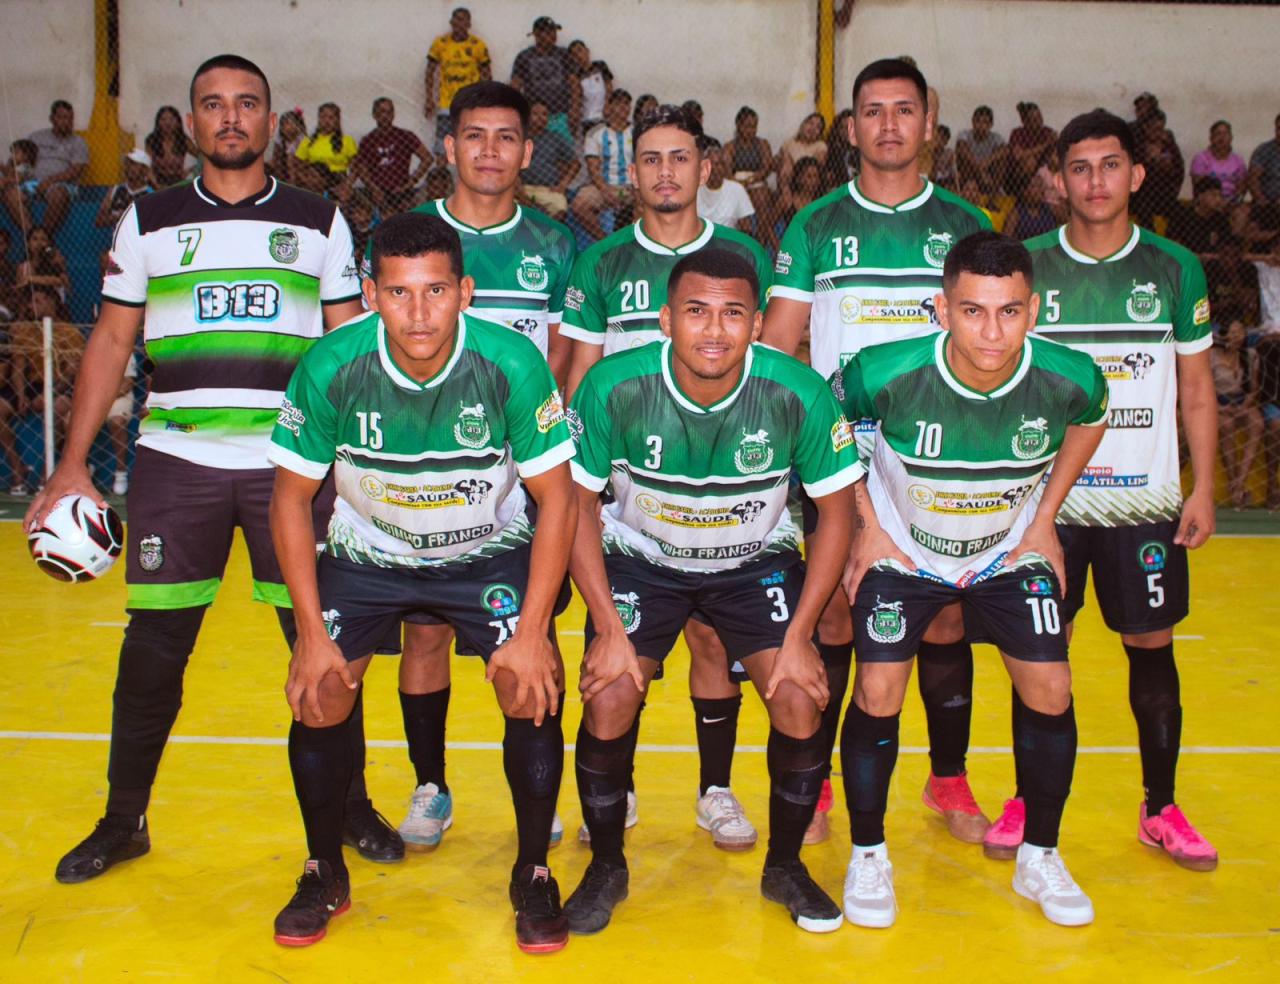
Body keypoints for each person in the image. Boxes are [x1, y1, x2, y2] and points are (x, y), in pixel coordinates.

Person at [23, 53, 400, 888]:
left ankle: (351, 804)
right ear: (188, 125)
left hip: (292, 468)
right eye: (212, 106)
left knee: (324, 645)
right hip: (177, 460)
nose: (230, 118)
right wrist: (69, 466)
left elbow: (347, 348)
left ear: (273, 121)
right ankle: (125, 821)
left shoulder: (320, 220)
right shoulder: (145, 219)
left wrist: (362, 469)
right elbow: (114, 342)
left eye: (247, 105)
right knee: (154, 649)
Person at [268, 210, 576, 951]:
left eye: (435, 291)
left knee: (531, 685)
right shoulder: (331, 365)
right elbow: (288, 498)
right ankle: (321, 868)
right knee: (320, 690)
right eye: (400, 293)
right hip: (370, 555)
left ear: (466, 291)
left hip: (485, 554)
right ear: (370, 293)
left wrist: (533, 634)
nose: (418, 313)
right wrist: (310, 635)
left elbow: (558, 498)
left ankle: (532, 871)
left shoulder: (510, 363)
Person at [563, 247, 860, 935]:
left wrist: (798, 637)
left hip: (754, 562)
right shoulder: (614, 385)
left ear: (758, 323)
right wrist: (607, 627)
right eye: (696, 312)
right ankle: (607, 864)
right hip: (644, 560)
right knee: (608, 695)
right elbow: (574, 507)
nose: (714, 330)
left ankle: (784, 865)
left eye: (732, 314)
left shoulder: (797, 392)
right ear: (666, 319)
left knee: (796, 698)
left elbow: (837, 511)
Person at [835, 230, 1109, 929]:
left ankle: (1039, 855)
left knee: (1051, 688)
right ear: (941, 308)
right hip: (908, 552)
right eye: (973, 311)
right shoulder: (882, 371)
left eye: (1010, 311)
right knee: (877, 688)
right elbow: (825, 430)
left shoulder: (1072, 376)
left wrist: (1046, 517)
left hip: (1003, 552)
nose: (992, 330)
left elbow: (1090, 421)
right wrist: (867, 526)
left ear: (1035, 309)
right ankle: (868, 855)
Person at [763, 58, 993, 847]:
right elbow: (781, 345)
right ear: (851, 128)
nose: (889, 125)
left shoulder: (966, 223)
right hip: (837, 460)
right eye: (872, 111)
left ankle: (948, 778)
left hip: (936, 461)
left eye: (904, 110)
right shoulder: (817, 223)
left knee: (942, 617)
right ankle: (819, 784)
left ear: (930, 124)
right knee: (829, 610)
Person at [990, 109, 1220, 872]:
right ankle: (1028, 800)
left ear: (1137, 175)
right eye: (1079, 167)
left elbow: (1195, 389)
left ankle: (1162, 807)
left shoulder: (1175, 267)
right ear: (1056, 178)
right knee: (1037, 657)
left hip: (1142, 505)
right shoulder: (1023, 267)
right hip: (1042, 511)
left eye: (1109, 165)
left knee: (1151, 651)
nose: (1095, 181)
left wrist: (1205, 487)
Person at [561, 103, 774, 850]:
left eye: (679, 158)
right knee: (619, 653)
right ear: (632, 172)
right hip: (628, 505)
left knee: (716, 644)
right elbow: (580, 374)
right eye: (649, 159)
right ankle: (614, 793)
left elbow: (775, 367)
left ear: (705, 167)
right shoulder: (601, 261)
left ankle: (715, 791)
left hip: (726, 494)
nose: (665, 172)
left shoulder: (745, 256)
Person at [373, 82, 577, 853]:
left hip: (516, 478)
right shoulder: (407, 235)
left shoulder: (556, 246)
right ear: (449, 146)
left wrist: (538, 452)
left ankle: (538, 792)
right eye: (474, 136)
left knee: (531, 637)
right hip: (423, 474)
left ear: (528, 152)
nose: (489, 151)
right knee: (424, 636)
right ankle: (431, 784)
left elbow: (558, 360)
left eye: (506, 138)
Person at [5, 100, 88, 234]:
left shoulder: (78, 142)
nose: (67, 122)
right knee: (9, 193)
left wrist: (49, 181)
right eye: (62, 117)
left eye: (70, 118)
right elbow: (19, 158)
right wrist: (13, 168)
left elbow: (76, 171)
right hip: (31, 182)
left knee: (59, 194)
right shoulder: (36, 137)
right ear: (52, 119)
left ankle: (44, 237)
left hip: (59, 184)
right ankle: (32, 235)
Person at [425, 6, 492, 156]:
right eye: (456, 19)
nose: (459, 24)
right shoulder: (440, 44)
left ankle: (470, 180)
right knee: (442, 149)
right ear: (451, 22)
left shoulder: (478, 45)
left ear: (469, 24)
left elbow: (487, 74)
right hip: (446, 104)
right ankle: (441, 179)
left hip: (471, 106)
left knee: (471, 148)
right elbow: (429, 71)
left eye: (463, 20)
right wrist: (429, 99)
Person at [573, 89, 635, 241]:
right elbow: (593, 169)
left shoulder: (638, 132)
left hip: (632, 187)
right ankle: (605, 242)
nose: (623, 107)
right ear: (609, 106)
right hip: (604, 186)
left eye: (626, 104)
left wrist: (636, 188)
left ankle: (634, 245)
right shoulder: (595, 133)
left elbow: (644, 164)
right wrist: (606, 190)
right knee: (579, 205)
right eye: (618, 103)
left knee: (651, 203)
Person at [1212, 320, 1261, 508]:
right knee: (1226, 426)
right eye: (1232, 332)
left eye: (1240, 332)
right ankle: (1235, 486)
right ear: (1223, 335)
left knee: (1257, 423)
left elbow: (1254, 389)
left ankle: (1239, 482)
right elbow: (1206, 387)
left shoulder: (1249, 355)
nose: (1236, 336)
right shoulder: (1212, 356)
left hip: (1242, 401)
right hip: (1219, 401)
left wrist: (1243, 406)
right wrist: (1220, 407)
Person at [353, 98, 432, 215]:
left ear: (394, 114)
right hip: (377, 193)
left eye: (389, 112)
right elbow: (361, 168)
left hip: (402, 192)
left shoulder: (405, 136)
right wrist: (373, 188)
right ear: (374, 115)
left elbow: (427, 158)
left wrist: (411, 182)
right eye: (381, 112)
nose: (385, 116)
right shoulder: (367, 140)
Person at [510, 16, 580, 143]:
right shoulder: (524, 57)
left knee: (564, 153)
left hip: (560, 115)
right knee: (535, 154)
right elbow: (515, 86)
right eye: (547, 32)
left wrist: (574, 110)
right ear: (536, 34)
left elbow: (574, 84)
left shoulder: (564, 55)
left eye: (553, 31)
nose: (553, 35)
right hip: (534, 116)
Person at [520, 99, 580, 221]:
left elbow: (575, 163)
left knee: (560, 207)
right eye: (536, 114)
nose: (540, 118)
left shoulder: (556, 138)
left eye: (544, 114)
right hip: (522, 188)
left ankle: (549, 239)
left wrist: (563, 184)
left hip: (548, 189)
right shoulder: (518, 139)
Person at [722, 106, 775, 245]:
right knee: (736, 196)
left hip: (756, 181)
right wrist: (739, 183)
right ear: (738, 125)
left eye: (754, 126)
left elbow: (766, 168)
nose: (751, 130)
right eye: (747, 126)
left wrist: (751, 179)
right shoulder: (730, 147)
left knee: (761, 198)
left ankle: (761, 242)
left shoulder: (763, 144)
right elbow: (726, 172)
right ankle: (741, 240)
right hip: (735, 181)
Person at [1132, 110, 1184, 229]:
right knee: (1144, 209)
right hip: (1141, 195)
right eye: (1154, 130)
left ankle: (1171, 243)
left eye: (1160, 130)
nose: (1158, 134)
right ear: (1146, 128)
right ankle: (1150, 244)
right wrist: (1150, 160)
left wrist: (1168, 168)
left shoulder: (1168, 145)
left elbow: (1179, 170)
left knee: (1180, 211)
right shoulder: (1137, 146)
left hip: (1164, 194)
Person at [295, 103, 358, 193]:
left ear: (337, 120)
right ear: (318, 119)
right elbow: (298, 165)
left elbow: (356, 168)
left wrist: (346, 185)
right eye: (323, 117)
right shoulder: (308, 141)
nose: (326, 121)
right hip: (314, 180)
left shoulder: (347, 141)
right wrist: (307, 181)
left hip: (338, 180)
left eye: (331, 118)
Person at [697, 138, 754, 233]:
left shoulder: (737, 189)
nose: (715, 168)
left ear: (725, 168)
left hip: (727, 243)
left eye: (720, 164)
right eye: (711, 164)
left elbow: (746, 228)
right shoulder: (693, 189)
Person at [1168, 176, 1230, 256]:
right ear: (1200, 196)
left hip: (1213, 262)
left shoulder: (1221, 220)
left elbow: (1227, 248)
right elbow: (1173, 245)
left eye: (1220, 195)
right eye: (1213, 195)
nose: (1218, 200)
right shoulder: (1183, 217)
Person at [95, 150, 155, 230]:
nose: (129, 167)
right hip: (117, 240)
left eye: (134, 164)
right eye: (128, 163)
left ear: (144, 169)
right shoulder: (115, 189)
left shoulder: (150, 194)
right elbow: (99, 221)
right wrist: (120, 217)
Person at [106, 352, 140, 495]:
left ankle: (121, 472)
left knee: (117, 422)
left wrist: (106, 397)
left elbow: (128, 383)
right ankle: (84, 466)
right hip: (95, 400)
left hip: (118, 396)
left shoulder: (126, 352)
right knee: (70, 420)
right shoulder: (89, 350)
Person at [1006, 102, 1056, 197]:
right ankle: (1026, 194)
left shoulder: (1047, 132)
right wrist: (1045, 145)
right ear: (1025, 122)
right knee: (1030, 162)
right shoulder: (1017, 133)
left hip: (1043, 171)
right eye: (1034, 119)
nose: (1039, 121)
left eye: (1040, 117)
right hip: (1018, 175)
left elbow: (1054, 154)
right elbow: (1018, 155)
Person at [1191, 121, 1247, 202]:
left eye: (1225, 134)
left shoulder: (1238, 160)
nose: (1222, 137)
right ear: (1211, 138)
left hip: (1231, 201)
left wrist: (1234, 200)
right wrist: (1217, 200)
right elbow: (1199, 186)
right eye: (1218, 133)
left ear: (1231, 138)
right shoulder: (1201, 158)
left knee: (1242, 213)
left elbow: (1242, 186)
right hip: (1208, 200)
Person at [956, 105, 1007, 195]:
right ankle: (966, 189)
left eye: (985, 122)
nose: (981, 125)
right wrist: (980, 169)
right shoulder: (965, 134)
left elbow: (1005, 150)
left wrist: (987, 162)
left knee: (1002, 159)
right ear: (973, 122)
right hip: (971, 170)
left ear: (991, 125)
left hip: (988, 171)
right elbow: (962, 148)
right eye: (978, 121)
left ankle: (993, 192)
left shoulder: (995, 137)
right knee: (964, 158)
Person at [144, 106, 198, 188]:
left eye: (171, 119)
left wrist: (190, 170)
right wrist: (156, 185)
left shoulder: (183, 140)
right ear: (158, 122)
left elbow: (202, 157)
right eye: (163, 119)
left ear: (178, 122)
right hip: (157, 183)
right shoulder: (152, 141)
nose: (167, 123)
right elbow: (147, 166)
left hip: (179, 183)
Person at [16, 225, 71, 302]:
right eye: (35, 239)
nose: (39, 243)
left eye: (43, 239)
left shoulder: (55, 262)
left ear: (48, 244)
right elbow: (20, 290)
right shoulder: (23, 267)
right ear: (28, 244)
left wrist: (32, 279)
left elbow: (65, 286)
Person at [569, 40, 613, 135]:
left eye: (580, 51)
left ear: (587, 51)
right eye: (574, 55)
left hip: (604, 115)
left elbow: (609, 85)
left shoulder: (600, 66)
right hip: (587, 118)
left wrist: (608, 104)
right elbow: (576, 98)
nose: (578, 56)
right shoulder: (576, 76)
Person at [778, 113, 829, 193]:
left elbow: (815, 168)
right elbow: (783, 165)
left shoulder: (821, 146)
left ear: (820, 133)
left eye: (818, 127)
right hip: (790, 181)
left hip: (810, 184)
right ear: (803, 125)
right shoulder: (789, 143)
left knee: (810, 172)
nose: (813, 128)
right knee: (786, 163)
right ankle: (786, 193)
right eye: (810, 123)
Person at [1247, 113, 1280, 225]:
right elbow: (1253, 179)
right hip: (1266, 204)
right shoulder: (1263, 151)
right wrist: (1262, 200)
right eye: (1279, 128)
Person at [1004, 172, 1057, 241]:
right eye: (1035, 186)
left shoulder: (1051, 209)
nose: (1040, 190)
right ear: (1025, 191)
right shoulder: (1015, 215)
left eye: (1040, 186)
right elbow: (1006, 241)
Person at [270, 109, 307, 182]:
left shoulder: (301, 139)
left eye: (292, 123)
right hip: (283, 163)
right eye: (285, 124)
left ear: (298, 126)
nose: (289, 127)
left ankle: (291, 183)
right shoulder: (280, 138)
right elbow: (275, 155)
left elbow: (301, 160)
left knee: (290, 159)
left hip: (298, 166)